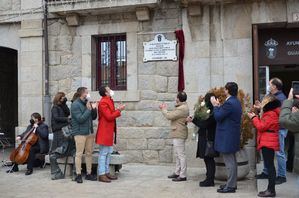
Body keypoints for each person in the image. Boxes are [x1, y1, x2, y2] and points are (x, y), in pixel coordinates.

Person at [210, 82, 242, 193]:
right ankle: (231, 183)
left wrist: (215, 106)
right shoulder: (235, 101)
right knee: (232, 160)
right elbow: (225, 114)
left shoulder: (230, 103)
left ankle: (231, 186)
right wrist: (219, 106)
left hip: (227, 136)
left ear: (227, 90)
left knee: (230, 162)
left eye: (225, 89)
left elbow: (218, 117)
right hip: (231, 135)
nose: (224, 90)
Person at [255, 78, 287, 184]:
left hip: (278, 129)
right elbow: (268, 111)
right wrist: (261, 107)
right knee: (267, 153)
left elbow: (278, 115)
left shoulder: (281, 98)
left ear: (274, 86)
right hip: (270, 128)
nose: (268, 86)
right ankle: (266, 172)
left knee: (279, 153)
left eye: (270, 84)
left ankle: (282, 176)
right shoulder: (271, 97)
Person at [248, 94, 281, 197]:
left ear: (268, 102)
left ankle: (271, 190)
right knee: (270, 165)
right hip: (268, 140)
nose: (262, 102)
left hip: (268, 142)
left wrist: (253, 117)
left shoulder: (270, 113)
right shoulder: (271, 112)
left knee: (270, 166)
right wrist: (259, 110)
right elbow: (264, 123)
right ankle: (270, 189)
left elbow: (261, 126)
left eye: (263, 101)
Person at [186, 93, 217, 187]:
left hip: (209, 138)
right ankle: (209, 177)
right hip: (206, 137)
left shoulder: (212, 111)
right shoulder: (208, 110)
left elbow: (205, 124)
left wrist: (194, 121)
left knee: (209, 159)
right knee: (207, 159)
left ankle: (210, 180)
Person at [96, 86, 125, 183]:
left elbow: (111, 113)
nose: (111, 90)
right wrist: (119, 110)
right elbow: (109, 116)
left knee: (108, 153)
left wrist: (117, 109)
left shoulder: (108, 100)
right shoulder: (103, 102)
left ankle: (106, 172)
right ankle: (101, 174)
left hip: (108, 131)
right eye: (109, 90)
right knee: (103, 153)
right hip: (105, 131)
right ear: (106, 93)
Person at [160, 92, 189, 182]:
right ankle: (177, 172)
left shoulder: (182, 108)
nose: (175, 99)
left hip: (179, 133)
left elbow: (169, 116)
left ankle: (183, 175)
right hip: (178, 132)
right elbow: (173, 114)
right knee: (178, 154)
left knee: (181, 155)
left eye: (176, 97)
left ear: (179, 99)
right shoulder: (181, 107)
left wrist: (163, 109)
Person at [71, 87, 97, 183]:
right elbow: (80, 119)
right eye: (87, 92)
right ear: (82, 94)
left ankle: (89, 174)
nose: (88, 94)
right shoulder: (75, 105)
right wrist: (88, 109)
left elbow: (93, 117)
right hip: (79, 133)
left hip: (89, 132)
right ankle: (78, 174)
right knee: (79, 154)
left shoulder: (87, 102)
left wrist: (94, 109)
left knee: (89, 153)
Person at [50, 92, 74, 180]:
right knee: (57, 150)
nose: (64, 98)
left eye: (64, 97)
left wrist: (64, 104)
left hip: (63, 129)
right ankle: (56, 172)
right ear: (59, 98)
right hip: (58, 130)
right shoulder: (55, 108)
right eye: (63, 97)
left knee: (64, 148)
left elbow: (67, 112)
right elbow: (56, 118)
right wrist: (67, 119)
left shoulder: (62, 107)